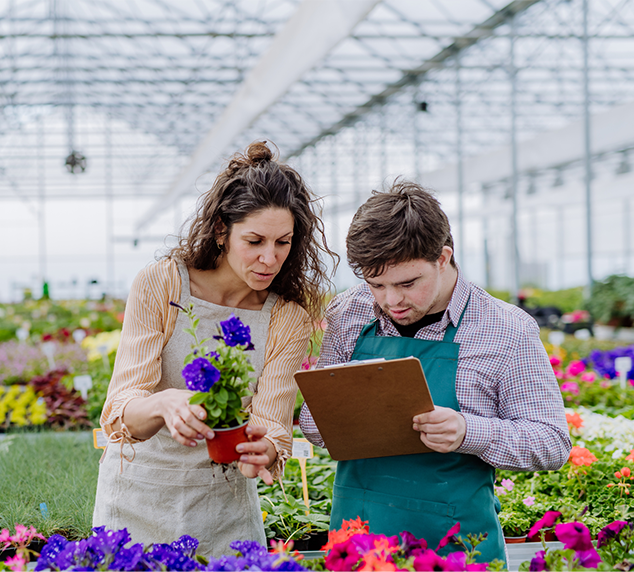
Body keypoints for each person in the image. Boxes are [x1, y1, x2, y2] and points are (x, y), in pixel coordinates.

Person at [299, 180, 571, 564]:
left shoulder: (506, 328)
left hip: (457, 545)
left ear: (443, 258)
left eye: (408, 283)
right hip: (360, 540)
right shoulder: (349, 313)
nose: (391, 300)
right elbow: (314, 427)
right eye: (376, 284)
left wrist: (467, 431)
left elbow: (552, 443)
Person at [93, 141, 336, 556]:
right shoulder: (163, 284)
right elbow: (121, 413)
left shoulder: (286, 317)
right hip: (137, 501)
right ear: (222, 229)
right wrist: (165, 403)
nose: (270, 258)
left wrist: (265, 450)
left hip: (226, 512)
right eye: (255, 240)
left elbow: (272, 424)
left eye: (283, 242)